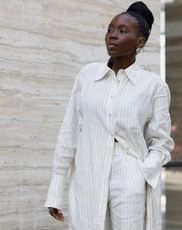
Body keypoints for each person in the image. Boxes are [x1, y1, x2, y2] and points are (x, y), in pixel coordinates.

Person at [44, 1, 174, 230]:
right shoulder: (87, 76)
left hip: (130, 174)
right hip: (88, 172)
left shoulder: (153, 85)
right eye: (110, 29)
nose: (112, 35)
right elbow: (69, 132)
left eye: (122, 31)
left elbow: (162, 142)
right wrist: (55, 192)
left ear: (139, 42)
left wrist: (143, 170)